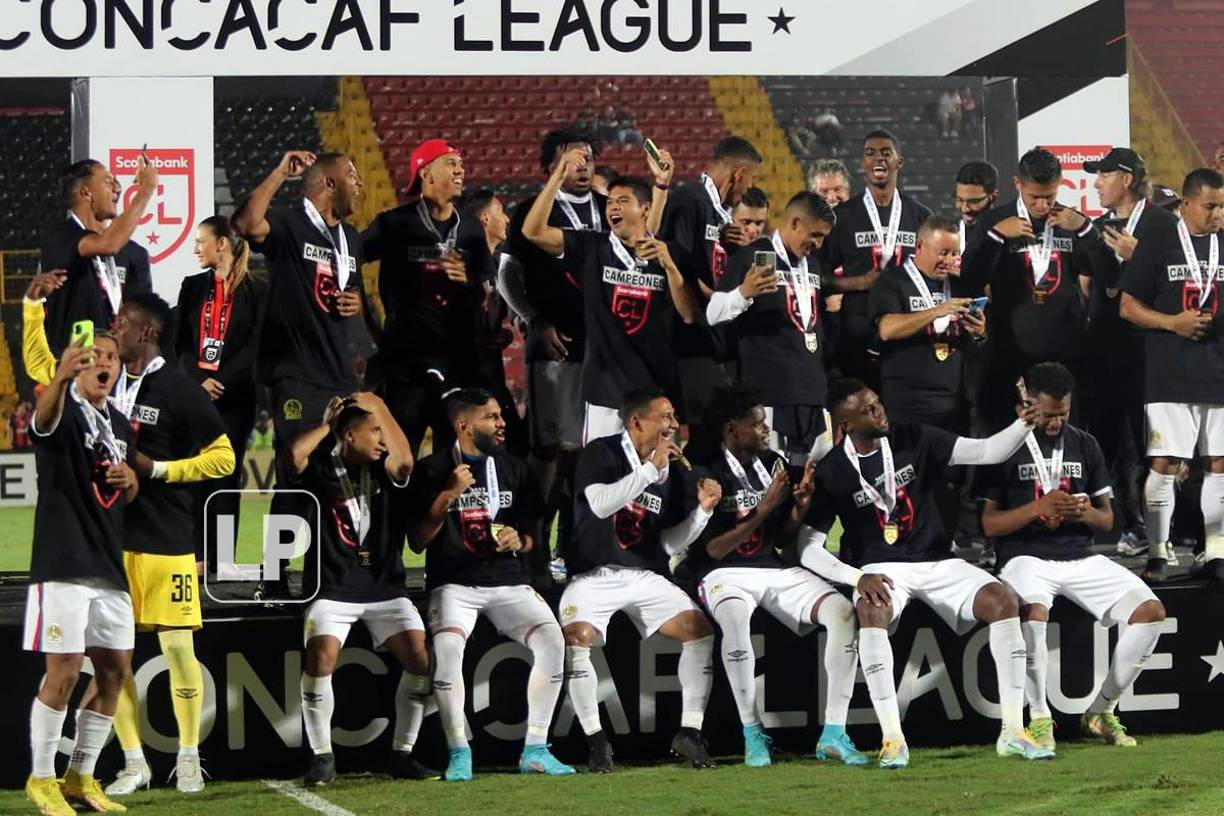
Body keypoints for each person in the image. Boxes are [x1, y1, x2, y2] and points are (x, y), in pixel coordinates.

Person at [804, 378, 1052, 767]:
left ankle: (1012, 732)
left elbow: (985, 452)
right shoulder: (833, 470)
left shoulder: (912, 436)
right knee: (871, 608)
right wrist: (856, 577)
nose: (880, 411)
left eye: (878, 403)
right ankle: (892, 739)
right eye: (868, 409)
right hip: (880, 568)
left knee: (1004, 601)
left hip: (937, 560)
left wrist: (1023, 425)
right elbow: (807, 548)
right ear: (846, 424)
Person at [976, 362, 1166, 751]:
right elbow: (989, 525)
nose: (1055, 423)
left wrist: (1083, 513)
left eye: (1063, 414)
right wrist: (1037, 507)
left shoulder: (1085, 443)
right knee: (1033, 612)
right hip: (1025, 556)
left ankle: (1102, 710)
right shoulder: (1003, 445)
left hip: (1080, 555)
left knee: (1150, 611)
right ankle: (1040, 717)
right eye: (1047, 415)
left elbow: (1106, 518)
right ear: (1027, 403)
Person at [686, 388, 867, 768]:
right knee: (734, 622)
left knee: (843, 612)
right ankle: (752, 734)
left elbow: (782, 539)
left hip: (772, 568)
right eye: (757, 425)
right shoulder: (704, 470)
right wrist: (764, 506)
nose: (766, 431)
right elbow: (713, 550)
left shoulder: (774, 464)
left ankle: (833, 732)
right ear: (732, 429)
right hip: (724, 573)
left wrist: (798, 508)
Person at [101, 293, 236, 796]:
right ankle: (134, 762)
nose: (113, 328)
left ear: (146, 332)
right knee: (113, 659)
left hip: (165, 537)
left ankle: (187, 756)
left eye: (122, 322)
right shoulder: (106, 381)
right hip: (110, 540)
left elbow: (223, 458)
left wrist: (158, 470)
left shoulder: (179, 387)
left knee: (179, 650)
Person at [407, 388, 573, 781]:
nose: (502, 423)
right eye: (492, 417)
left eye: (501, 415)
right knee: (447, 652)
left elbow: (532, 536)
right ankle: (459, 752)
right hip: (455, 585)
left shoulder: (513, 468)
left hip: (507, 582)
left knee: (553, 640)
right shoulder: (432, 470)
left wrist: (521, 540)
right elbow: (417, 540)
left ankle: (535, 748)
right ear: (463, 425)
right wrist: (447, 495)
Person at [560, 387, 721, 772]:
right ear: (636, 422)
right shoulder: (601, 453)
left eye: (674, 417)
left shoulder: (676, 471)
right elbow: (599, 505)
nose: (673, 424)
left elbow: (666, 543)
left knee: (699, 629)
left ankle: (690, 732)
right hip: (594, 573)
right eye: (664, 417)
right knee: (577, 638)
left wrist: (702, 513)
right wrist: (649, 470)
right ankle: (596, 741)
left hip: (645, 573)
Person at [289, 392, 435, 786]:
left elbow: (404, 459)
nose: (383, 439)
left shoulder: (386, 469)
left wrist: (380, 407)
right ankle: (322, 756)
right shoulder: (323, 466)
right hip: (333, 589)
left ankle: (402, 753)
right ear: (349, 436)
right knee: (321, 657)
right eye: (374, 432)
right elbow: (294, 456)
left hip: (386, 587)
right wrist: (329, 424)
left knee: (421, 662)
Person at [24, 332, 138, 815]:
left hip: (109, 567)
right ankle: (42, 777)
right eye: (94, 359)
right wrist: (60, 377)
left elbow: (122, 495)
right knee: (65, 672)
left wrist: (131, 480)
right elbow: (40, 424)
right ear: (80, 368)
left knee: (114, 672)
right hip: (63, 563)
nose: (104, 364)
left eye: (110, 357)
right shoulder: (63, 408)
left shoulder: (119, 424)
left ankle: (81, 777)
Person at [522, 147, 695, 442]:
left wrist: (670, 267)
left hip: (655, 390)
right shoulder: (593, 249)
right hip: (604, 391)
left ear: (645, 209)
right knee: (603, 474)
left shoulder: (668, 254)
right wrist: (557, 177)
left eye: (623, 200)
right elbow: (533, 231)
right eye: (610, 201)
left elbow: (689, 314)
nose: (612, 206)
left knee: (658, 480)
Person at [499, 129, 606, 569]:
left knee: (590, 453)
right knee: (547, 451)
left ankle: (575, 544)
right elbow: (507, 275)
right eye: (569, 159)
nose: (581, 166)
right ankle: (533, 546)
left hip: (602, 352)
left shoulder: (607, 210)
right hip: (555, 350)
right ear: (549, 169)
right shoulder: (530, 213)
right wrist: (533, 318)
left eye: (587, 159)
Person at [1120, 167, 1224, 582]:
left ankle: (1216, 551)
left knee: (1219, 464)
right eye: (1210, 206)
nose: (1217, 215)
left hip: (1219, 372)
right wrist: (1172, 323)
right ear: (1186, 204)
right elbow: (1127, 306)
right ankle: (1158, 553)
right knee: (1165, 463)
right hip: (1170, 372)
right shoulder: (1158, 243)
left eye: (1221, 207)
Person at [362, 139, 493, 454]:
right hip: (408, 363)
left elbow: (485, 292)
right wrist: (370, 324)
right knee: (401, 456)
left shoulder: (471, 230)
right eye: (451, 163)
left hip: (459, 363)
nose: (460, 170)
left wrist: (471, 280)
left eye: (461, 164)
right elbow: (347, 262)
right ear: (426, 174)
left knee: (455, 457)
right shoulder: (394, 224)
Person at [233, 150, 368, 454]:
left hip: (339, 374)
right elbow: (245, 224)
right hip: (295, 376)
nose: (359, 183)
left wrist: (354, 300)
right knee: (296, 468)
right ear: (330, 183)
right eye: (351, 174)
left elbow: (350, 287)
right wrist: (281, 173)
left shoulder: (351, 237)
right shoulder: (289, 223)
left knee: (338, 468)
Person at [1083, 149, 1178, 558]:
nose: (1096, 183)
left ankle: (1163, 532)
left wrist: (1138, 258)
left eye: (1102, 175)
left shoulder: (1164, 224)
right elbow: (1088, 286)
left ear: (1125, 177)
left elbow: (1178, 284)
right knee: (1108, 444)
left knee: (1149, 445)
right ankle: (1131, 525)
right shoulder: (1099, 228)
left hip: (1148, 353)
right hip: (1104, 355)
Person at [963, 148, 1100, 432]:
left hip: (1064, 353)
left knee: (1062, 435)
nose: (1041, 204)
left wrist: (1087, 229)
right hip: (1010, 351)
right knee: (1006, 433)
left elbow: (1101, 277)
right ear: (1017, 184)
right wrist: (996, 237)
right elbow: (969, 281)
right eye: (1034, 196)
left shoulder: (1071, 222)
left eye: (1049, 196)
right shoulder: (995, 223)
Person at [709, 192, 838, 466]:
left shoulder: (812, 265)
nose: (818, 243)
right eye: (815, 235)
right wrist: (743, 293)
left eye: (823, 237)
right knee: (771, 479)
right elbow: (712, 314)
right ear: (794, 223)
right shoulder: (751, 257)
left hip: (812, 393)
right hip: (769, 395)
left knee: (805, 484)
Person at [175, 215, 269, 574]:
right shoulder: (192, 286)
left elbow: (256, 346)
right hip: (195, 397)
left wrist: (222, 381)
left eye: (201, 240)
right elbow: (180, 346)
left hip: (236, 398)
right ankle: (197, 558)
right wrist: (200, 379)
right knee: (197, 473)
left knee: (227, 475)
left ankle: (224, 558)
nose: (196, 247)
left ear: (223, 244)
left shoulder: (257, 291)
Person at [659, 136, 763, 439]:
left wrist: (733, 250)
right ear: (739, 174)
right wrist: (718, 298)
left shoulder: (719, 212)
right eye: (751, 179)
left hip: (716, 341)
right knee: (703, 431)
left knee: (718, 429)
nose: (748, 188)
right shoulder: (688, 200)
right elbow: (676, 263)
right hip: (691, 342)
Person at [820, 131, 933, 389]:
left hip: (908, 333)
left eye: (885, 153)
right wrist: (859, 282)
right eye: (870, 153)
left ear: (899, 162)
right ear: (862, 163)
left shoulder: (920, 216)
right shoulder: (843, 217)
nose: (877, 159)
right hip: (857, 337)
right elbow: (817, 274)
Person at [40, 157, 157, 355]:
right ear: (86, 192)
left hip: (113, 363)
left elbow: (140, 315)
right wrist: (145, 190)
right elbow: (108, 244)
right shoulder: (60, 237)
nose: (117, 189)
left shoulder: (133, 253)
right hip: (73, 366)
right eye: (108, 181)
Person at [954, 160, 1000, 264]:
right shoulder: (946, 233)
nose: (965, 208)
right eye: (960, 200)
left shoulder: (1008, 235)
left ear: (993, 197)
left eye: (973, 201)